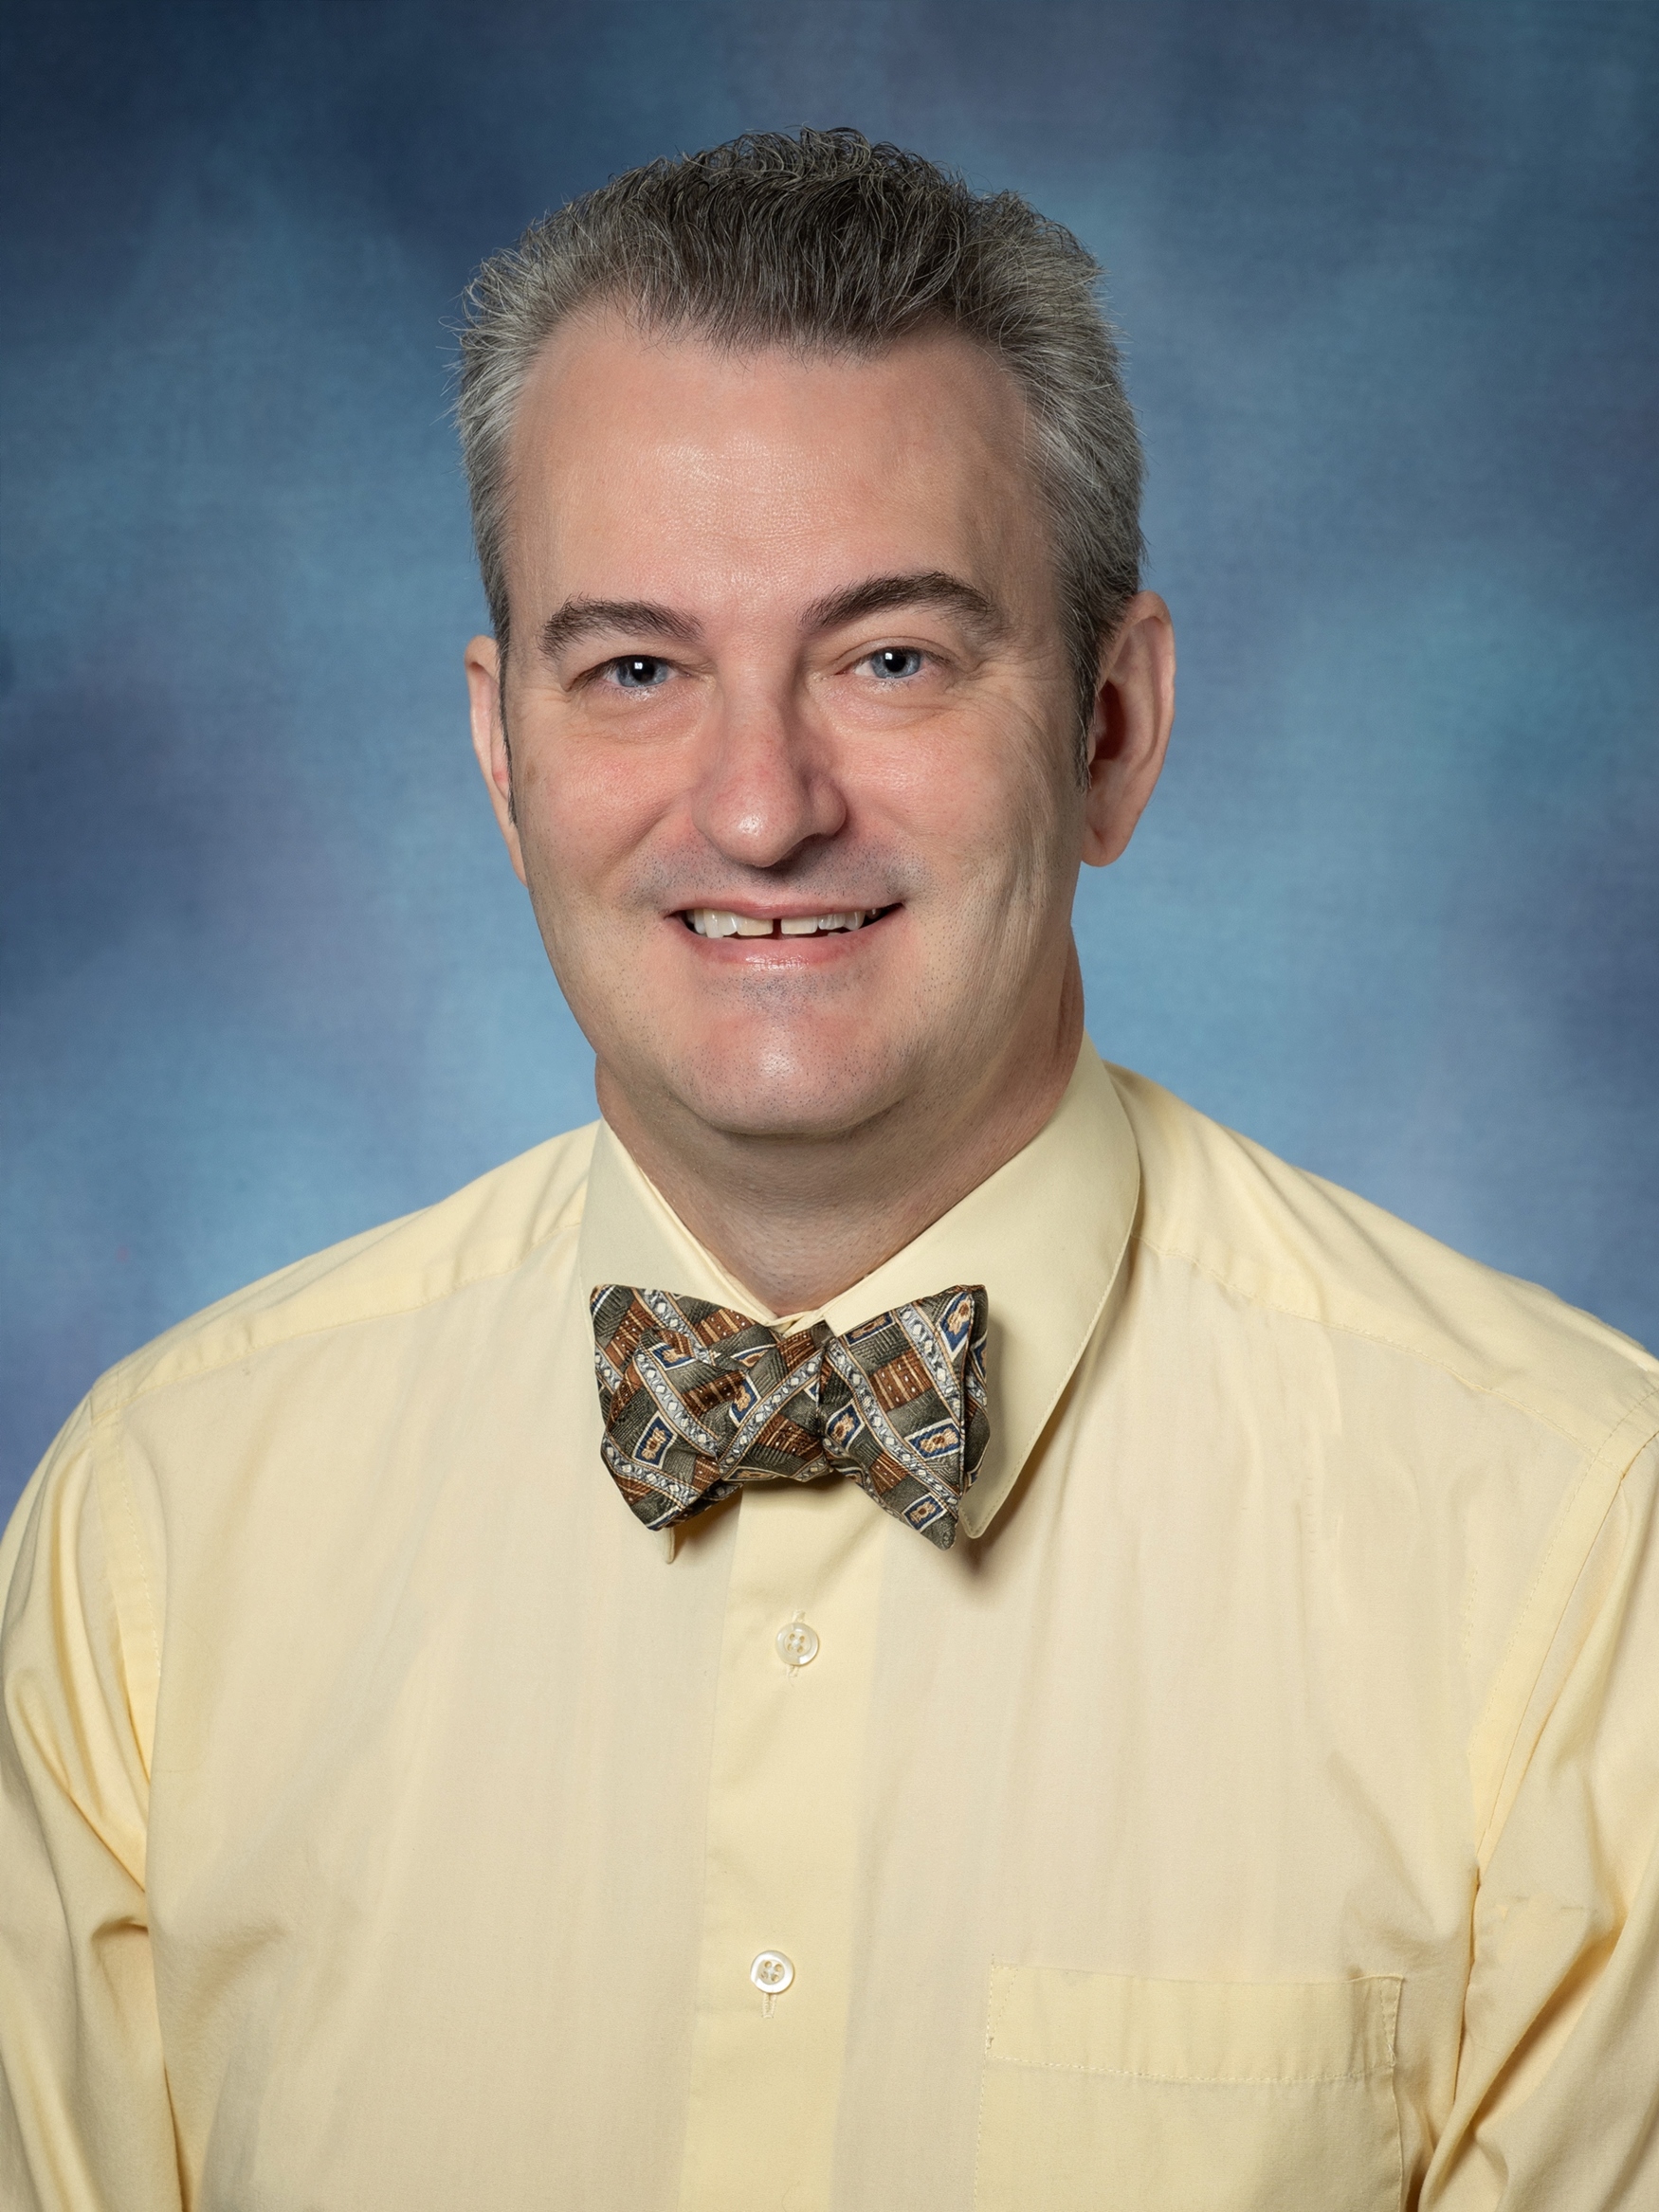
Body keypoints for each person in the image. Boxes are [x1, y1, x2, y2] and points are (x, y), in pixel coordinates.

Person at [2, 127, 1654, 2212]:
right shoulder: (159, 1535)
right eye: (635, 670)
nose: (761, 807)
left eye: (888, 658)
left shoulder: (1576, 1555)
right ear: (504, 757)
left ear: (1111, 732)